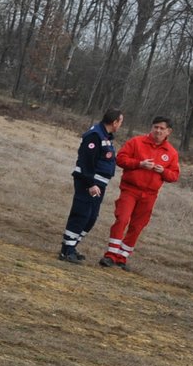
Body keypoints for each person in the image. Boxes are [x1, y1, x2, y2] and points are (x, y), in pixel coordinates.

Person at [99, 116, 180, 270]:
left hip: (149, 195)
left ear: (169, 132)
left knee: (137, 226)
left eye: (162, 128)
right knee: (122, 219)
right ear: (151, 127)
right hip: (130, 189)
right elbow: (120, 159)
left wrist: (164, 172)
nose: (158, 130)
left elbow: (174, 176)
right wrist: (139, 164)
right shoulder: (136, 142)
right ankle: (110, 255)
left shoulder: (171, 153)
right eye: (155, 127)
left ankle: (122, 257)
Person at [58, 108, 123, 263]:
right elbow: (86, 161)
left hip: (99, 184)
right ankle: (66, 250)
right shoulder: (95, 135)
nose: (120, 125)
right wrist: (91, 183)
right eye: (120, 122)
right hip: (88, 183)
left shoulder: (106, 136)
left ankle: (72, 247)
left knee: (91, 217)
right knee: (81, 214)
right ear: (114, 122)